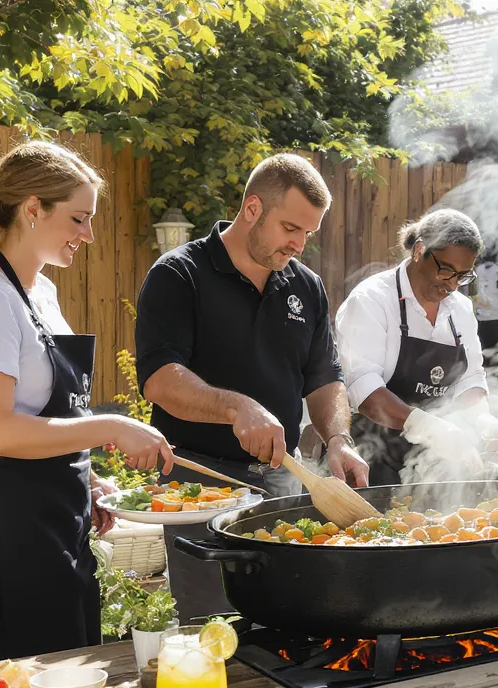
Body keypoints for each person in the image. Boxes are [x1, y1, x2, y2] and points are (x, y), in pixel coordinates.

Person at [0, 141, 175, 660]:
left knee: (76, 674)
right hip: (4, 532)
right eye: (78, 219)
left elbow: (44, 414)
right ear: (33, 208)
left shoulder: (39, 292)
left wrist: (82, 475)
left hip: (49, 515)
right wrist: (111, 427)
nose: (87, 234)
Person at [135, 153, 369, 619]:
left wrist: (338, 440)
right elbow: (160, 380)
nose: (299, 244)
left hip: (284, 479)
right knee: (212, 627)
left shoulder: (307, 287)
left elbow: (324, 378)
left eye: (307, 233)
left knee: (288, 615)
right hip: (199, 482)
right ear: (253, 209)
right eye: (290, 229)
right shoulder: (179, 274)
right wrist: (237, 408)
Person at [337, 210, 498, 485]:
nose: (452, 285)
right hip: (369, 458)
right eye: (446, 270)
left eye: (463, 276)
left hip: (430, 462)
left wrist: (482, 418)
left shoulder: (460, 309)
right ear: (419, 251)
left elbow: (470, 378)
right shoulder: (372, 300)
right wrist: (426, 426)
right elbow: (364, 389)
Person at [472, 253, 498, 351]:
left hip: (479, 318)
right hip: (496, 318)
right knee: (496, 350)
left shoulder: (475, 272)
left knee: (481, 350)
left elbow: (472, 295)